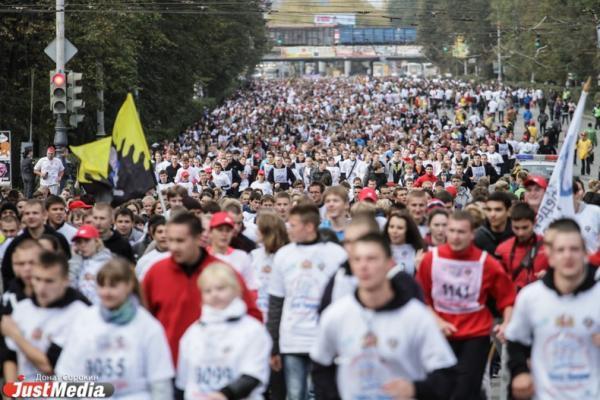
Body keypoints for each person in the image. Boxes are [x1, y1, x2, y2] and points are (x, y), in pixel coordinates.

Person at [311, 233, 457, 400]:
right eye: (357, 260)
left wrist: (415, 389)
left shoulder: (415, 316)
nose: (363, 266)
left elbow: (446, 375)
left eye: (372, 259)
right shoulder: (336, 315)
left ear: (389, 263)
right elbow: (320, 367)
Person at [417, 211, 516, 400]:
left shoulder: (486, 262)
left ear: (472, 234)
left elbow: (507, 297)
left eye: (461, 232)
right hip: (441, 333)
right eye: (452, 230)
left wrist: (506, 323)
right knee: (440, 389)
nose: (455, 236)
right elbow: (421, 298)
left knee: (465, 391)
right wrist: (437, 321)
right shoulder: (431, 259)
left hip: (474, 335)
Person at [142, 212, 261, 365]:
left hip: (215, 366)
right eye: (171, 240)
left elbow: (251, 313)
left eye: (181, 241)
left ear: (198, 238)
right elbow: (142, 320)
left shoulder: (222, 271)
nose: (174, 247)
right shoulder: (156, 272)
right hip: (167, 364)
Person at [505, 218, 600, 400]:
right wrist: (520, 372)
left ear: (585, 254)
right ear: (550, 255)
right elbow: (516, 340)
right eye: (561, 250)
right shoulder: (531, 296)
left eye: (574, 249)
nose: (568, 256)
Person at [56, 258, 175, 399]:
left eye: (113, 286)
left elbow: (160, 382)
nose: (106, 292)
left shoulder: (147, 325)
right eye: (102, 286)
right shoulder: (85, 320)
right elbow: (68, 373)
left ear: (129, 285)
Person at [267, 202, 347, 400]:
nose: (289, 229)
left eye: (293, 225)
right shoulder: (283, 256)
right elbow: (276, 302)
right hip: (292, 338)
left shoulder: (336, 254)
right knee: (295, 394)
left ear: (309, 226)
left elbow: (346, 302)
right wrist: (274, 346)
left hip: (324, 339)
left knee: (321, 393)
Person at [176, 263, 272, 400]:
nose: (214, 294)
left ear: (236, 289)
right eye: (207, 291)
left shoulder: (253, 330)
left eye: (221, 288)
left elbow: (253, 375)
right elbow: (184, 383)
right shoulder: (193, 333)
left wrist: (224, 395)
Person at [1, 251, 90, 379]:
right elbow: (11, 356)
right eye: (37, 279)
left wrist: (15, 335)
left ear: (65, 281)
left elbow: (49, 366)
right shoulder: (22, 308)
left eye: (49, 281)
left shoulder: (79, 313)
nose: (41, 288)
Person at [1, 199, 71, 285]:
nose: (31, 216)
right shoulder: (16, 242)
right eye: (27, 213)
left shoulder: (58, 239)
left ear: (44, 215)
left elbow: (67, 266)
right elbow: (7, 271)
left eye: (35, 213)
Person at [495, 203, 549, 291]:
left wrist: (550, 275)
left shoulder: (549, 246)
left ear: (534, 222)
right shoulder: (502, 249)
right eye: (516, 228)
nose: (521, 233)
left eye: (525, 227)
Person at [250, 211, 289, 320]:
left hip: (279, 315)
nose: (256, 231)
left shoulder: (286, 256)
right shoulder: (254, 255)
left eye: (259, 227)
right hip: (257, 313)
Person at [207, 211, 257, 291]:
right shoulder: (200, 256)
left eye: (228, 230)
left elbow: (251, 289)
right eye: (220, 230)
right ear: (210, 232)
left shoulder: (242, 257)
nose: (224, 234)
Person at [68, 224, 113, 304]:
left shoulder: (108, 262)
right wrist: (75, 260)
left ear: (96, 242)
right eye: (79, 242)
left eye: (86, 241)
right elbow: (68, 288)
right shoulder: (75, 262)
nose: (83, 245)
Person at [383, 210, 425, 276]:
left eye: (400, 228)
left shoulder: (418, 250)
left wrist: (420, 269)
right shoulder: (380, 248)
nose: (394, 231)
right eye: (391, 227)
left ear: (408, 230)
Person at [136, 215, 170, 281]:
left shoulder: (181, 258)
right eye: (160, 232)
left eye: (167, 232)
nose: (164, 235)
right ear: (153, 235)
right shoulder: (144, 261)